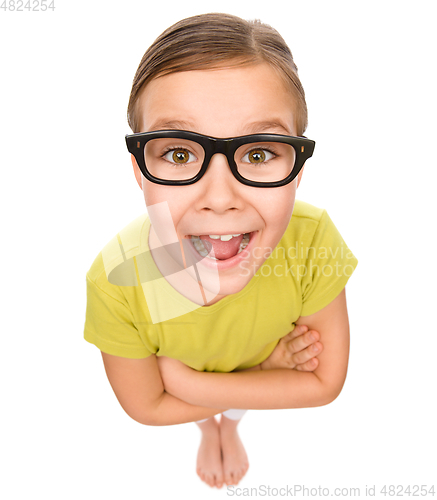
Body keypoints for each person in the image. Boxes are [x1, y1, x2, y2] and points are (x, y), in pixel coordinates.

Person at [83, 13, 358, 489]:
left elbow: (323, 385)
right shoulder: (116, 283)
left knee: (233, 403)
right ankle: (210, 425)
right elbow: (147, 409)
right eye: (179, 153)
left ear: (296, 169)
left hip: (232, 368)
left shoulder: (312, 241)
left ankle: (227, 423)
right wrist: (269, 372)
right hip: (261, 365)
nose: (220, 197)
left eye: (257, 153)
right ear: (139, 170)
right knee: (231, 397)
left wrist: (186, 383)